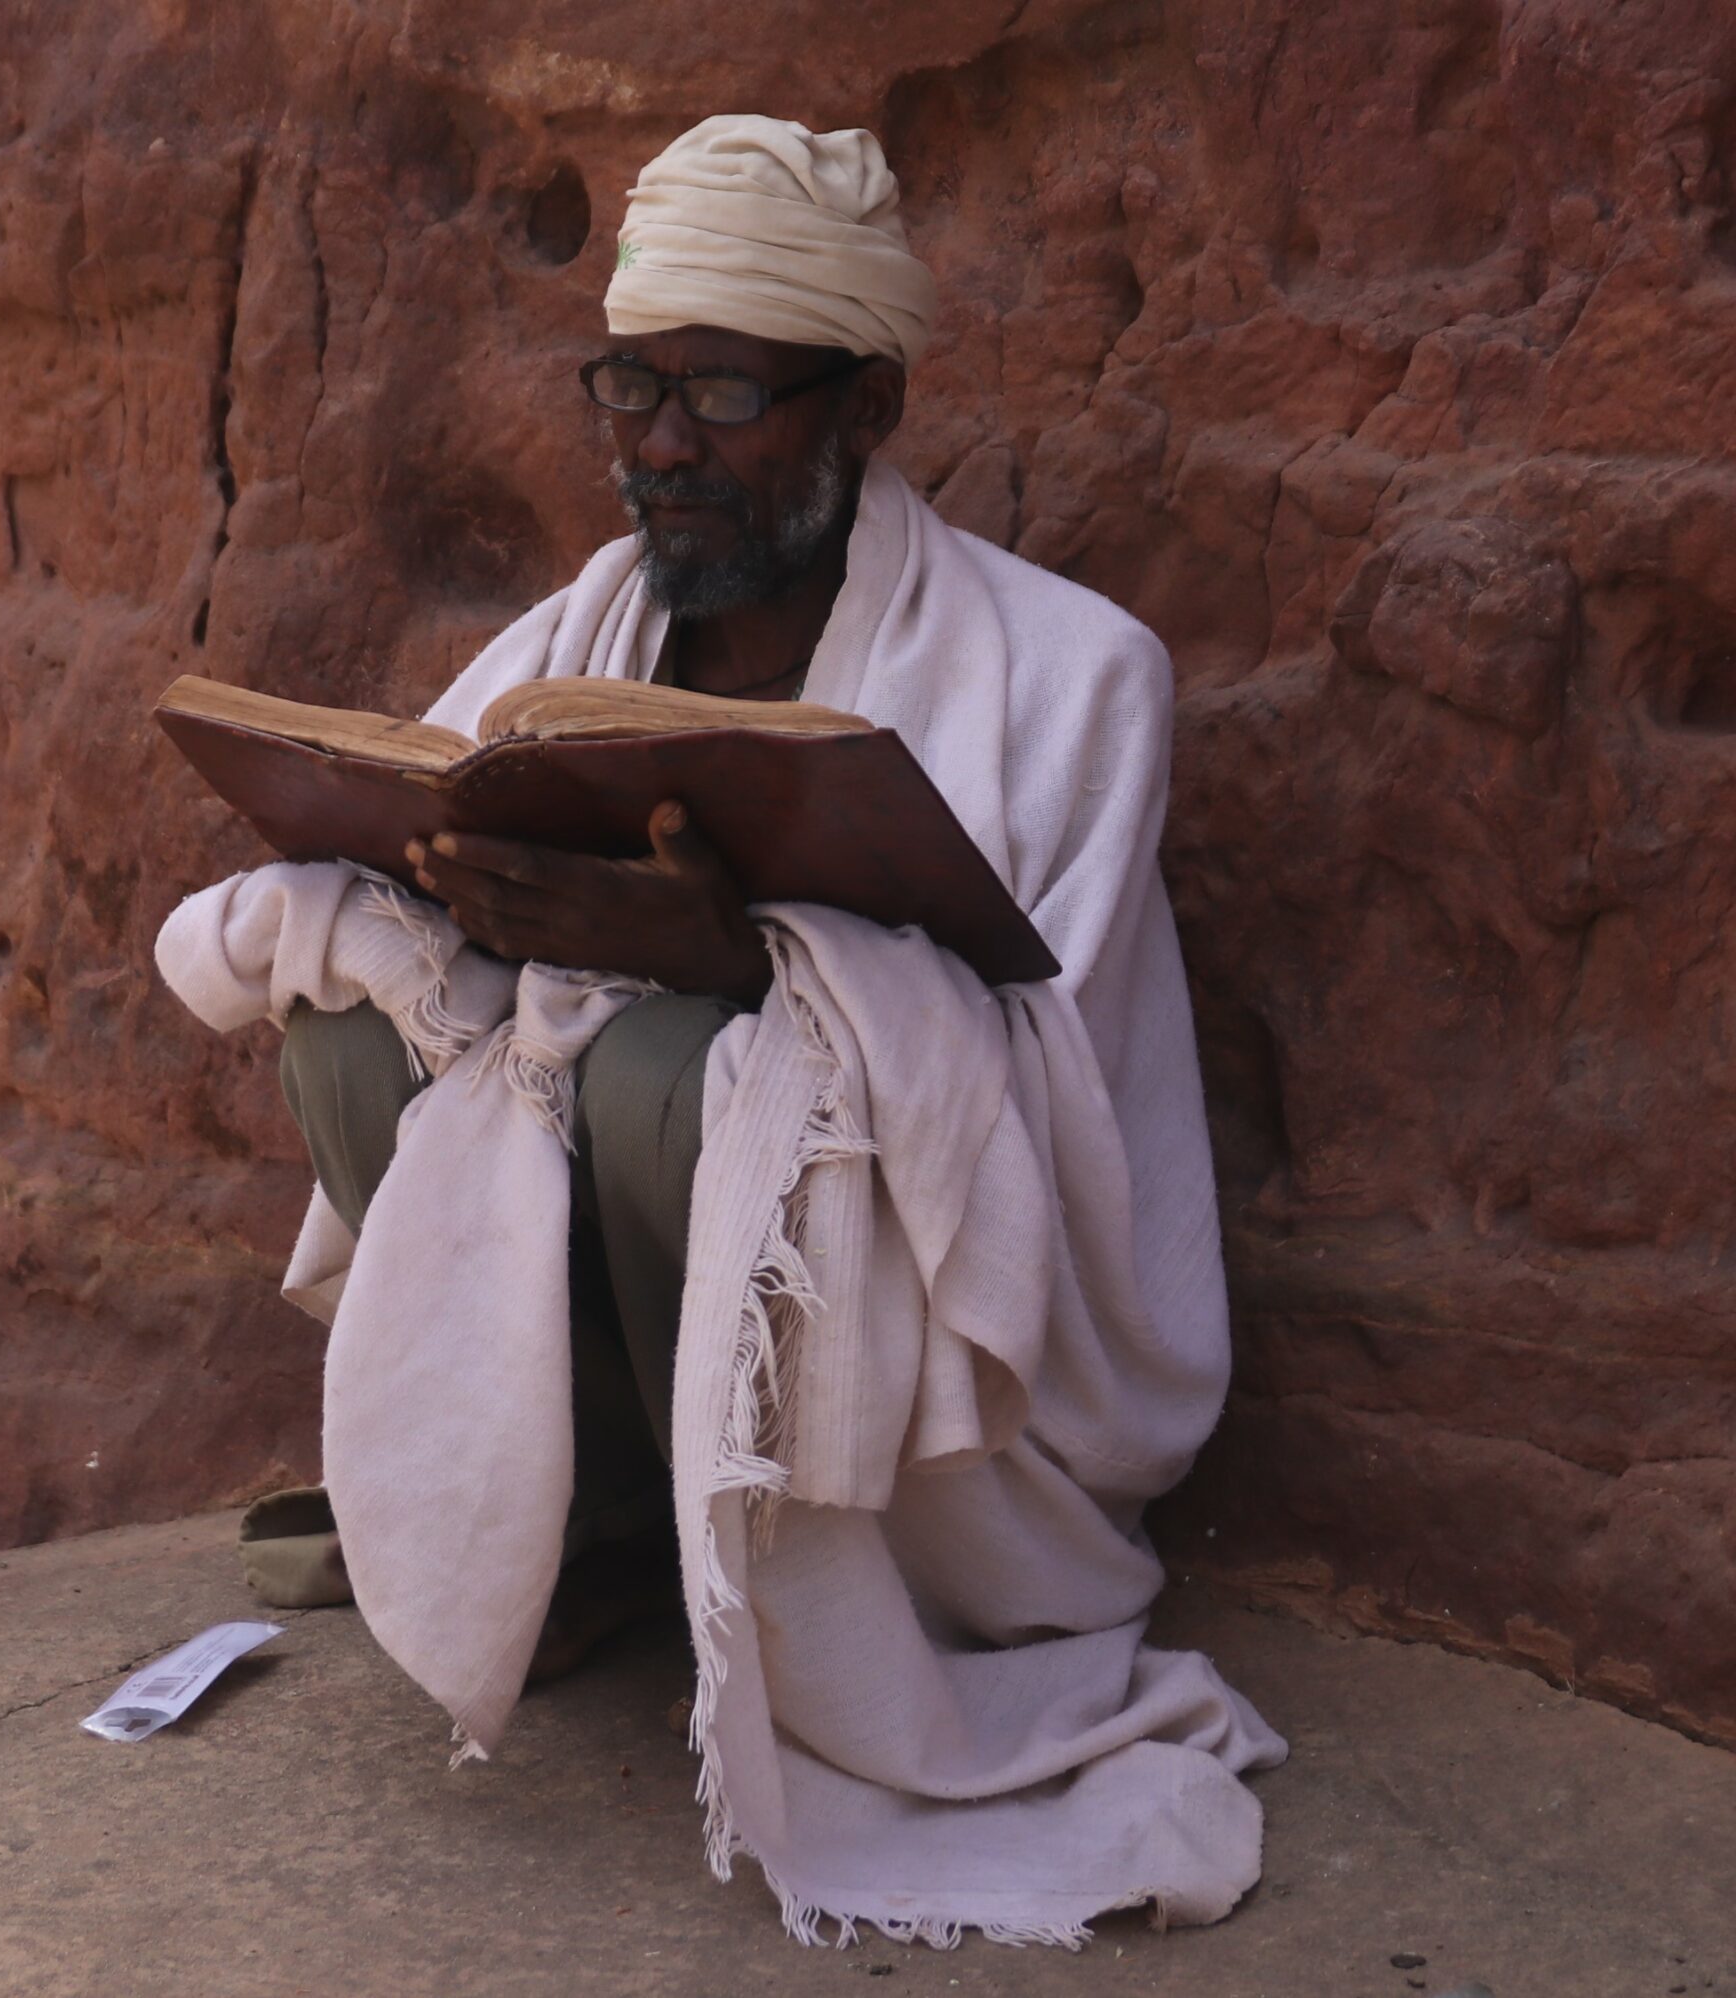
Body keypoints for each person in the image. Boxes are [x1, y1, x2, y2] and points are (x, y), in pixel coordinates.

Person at [155, 114, 1285, 1949]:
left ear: (865, 409)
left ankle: (779, 1582)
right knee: (357, 1047)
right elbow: (433, 833)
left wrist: (745, 962)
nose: (663, 447)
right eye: (633, 388)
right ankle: (607, 1535)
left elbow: (1039, 1134)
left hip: (960, 1400)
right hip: (659, 1256)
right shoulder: (578, 636)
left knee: (677, 1072)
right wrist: (443, 882)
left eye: (726, 396)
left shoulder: (1074, 678)